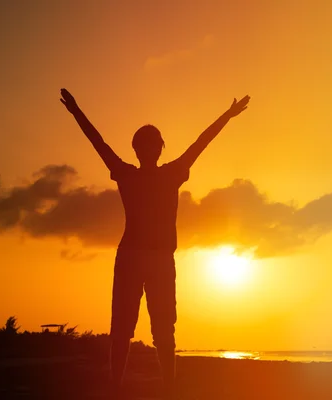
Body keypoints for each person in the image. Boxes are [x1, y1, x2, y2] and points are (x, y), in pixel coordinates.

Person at [60, 88, 250, 398]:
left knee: (146, 329)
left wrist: (77, 111)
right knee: (146, 329)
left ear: (146, 149)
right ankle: (142, 387)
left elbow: (100, 143)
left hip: (148, 258)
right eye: (147, 145)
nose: (148, 149)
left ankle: (140, 387)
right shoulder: (161, 173)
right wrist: (227, 116)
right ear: (152, 149)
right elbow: (199, 143)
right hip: (145, 258)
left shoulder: (140, 173)